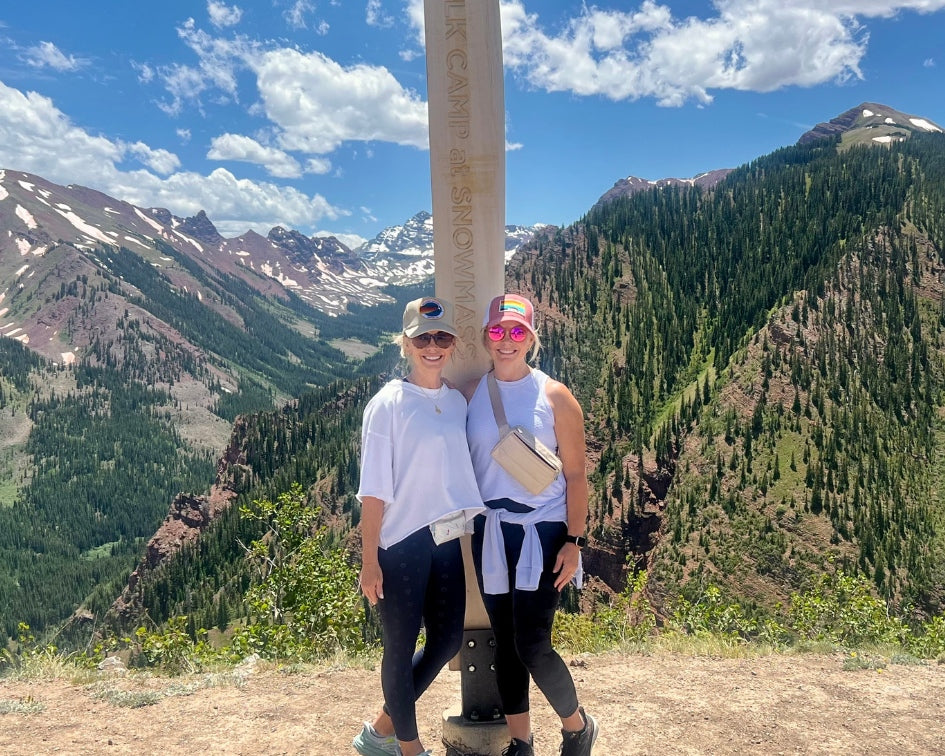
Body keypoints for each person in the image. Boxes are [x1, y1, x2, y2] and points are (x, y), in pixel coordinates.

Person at [466, 294, 599, 756]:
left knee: (532, 643)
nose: (507, 340)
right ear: (487, 337)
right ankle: (521, 742)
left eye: (517, 331)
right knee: (504, 642)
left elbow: (577, 474)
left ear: (531, 339)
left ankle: (577, 726)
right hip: (491, 530)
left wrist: (574, 541)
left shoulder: (555, 396)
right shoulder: (471, 393)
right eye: (498, 331)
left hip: (543, 531)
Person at [353, 296, 484, 756]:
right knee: (400, 644)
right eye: (423, 338)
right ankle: (408, 748)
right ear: (406, 344)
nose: (433, 346)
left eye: (442, 337)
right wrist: (370, 560)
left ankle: (379, 731)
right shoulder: (387, 404)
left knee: (446, 640)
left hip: (445, 539)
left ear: (452, 344)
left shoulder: (456, 401)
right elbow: (373, 491)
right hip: (400, 542)